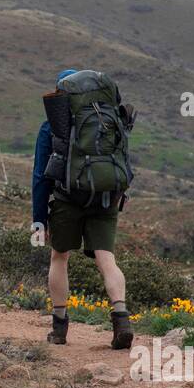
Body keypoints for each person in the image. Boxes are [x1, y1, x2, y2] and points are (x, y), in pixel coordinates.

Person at [31, 69, 133, 348]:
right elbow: (123, 161)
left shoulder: (52, 127)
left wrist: (39, 219)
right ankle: (121, 318)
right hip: (105, 198)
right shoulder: (108, 120)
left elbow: (40, 176)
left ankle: (60, 327)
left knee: (59, 257)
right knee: (106, 259)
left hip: (68, 199)